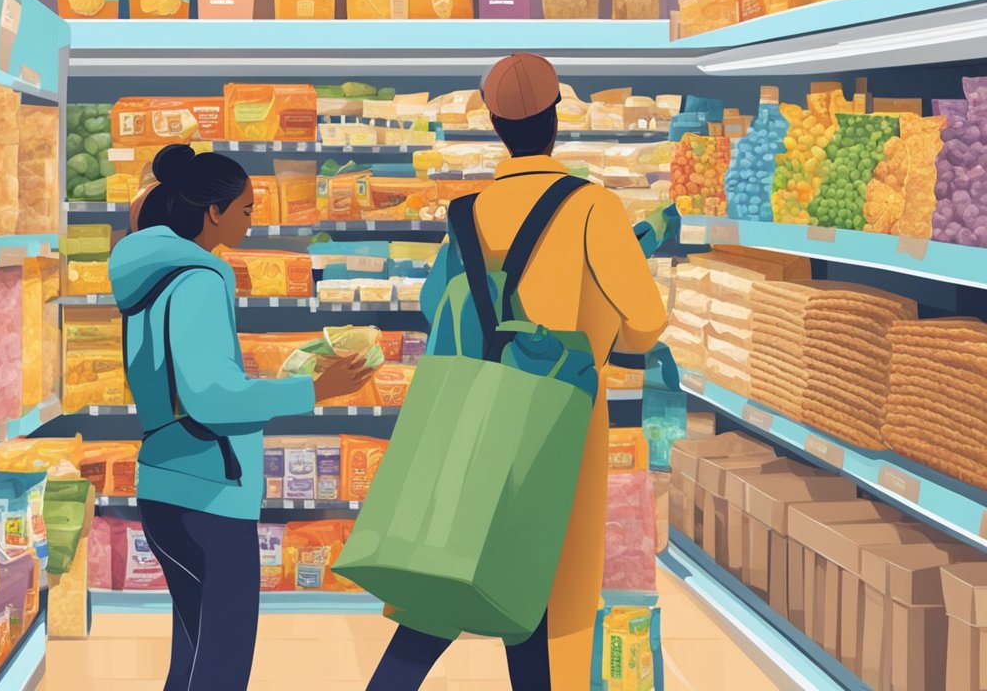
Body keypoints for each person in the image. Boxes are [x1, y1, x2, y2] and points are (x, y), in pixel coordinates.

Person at [366, 54, 669, 690]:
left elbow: (434, 309)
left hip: (474, 417)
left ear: (497, 125)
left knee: (444, 581)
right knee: (540, 597)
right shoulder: (593, 207)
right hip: (557, 425)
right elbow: (644, 325)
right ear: (555, 118)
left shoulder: (465, 213)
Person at [108, 144, 377, 691]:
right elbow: (212, 398)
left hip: (163, 480)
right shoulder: (201, 277)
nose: (253, 220)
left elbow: (177, 383)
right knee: (223, 664)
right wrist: (313, 390)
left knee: (192, 653)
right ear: (213, 213)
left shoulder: (146, 279)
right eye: (248, 210)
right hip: (209, 491)